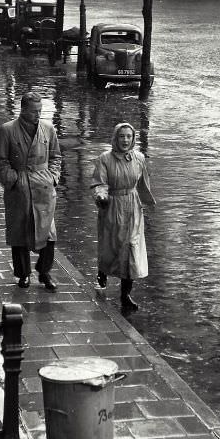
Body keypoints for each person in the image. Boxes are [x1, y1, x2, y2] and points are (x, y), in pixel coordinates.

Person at [0, 91, 62, 291]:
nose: (37, 115)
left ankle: (45, 271)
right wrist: (12, 179)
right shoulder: (8, 130)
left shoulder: (48, 129)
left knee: (49, 233)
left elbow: (56, 156)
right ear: (23, 110)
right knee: (19, 232)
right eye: (33, 111)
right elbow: (0, 161)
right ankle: (23, 274)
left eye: (40, 111)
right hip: (20, 188)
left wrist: (53, 176)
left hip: (44, 187)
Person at [90, 122, 156, 312]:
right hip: (112, 206)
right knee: (111, 245)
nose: (125, 140)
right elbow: (99, 183)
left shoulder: (139, 158)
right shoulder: (105, 159)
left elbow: (143, 183)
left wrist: (148, 203)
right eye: (122, 136)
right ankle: (102, 275)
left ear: (133, 138)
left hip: (133, 207)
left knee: (132, 248)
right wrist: (101, 196)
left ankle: (125, 293)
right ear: (115, 138)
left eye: (129, 136)